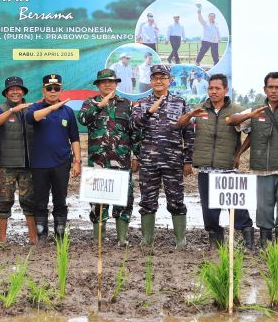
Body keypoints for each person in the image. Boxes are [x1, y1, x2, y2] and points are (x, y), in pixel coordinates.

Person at [231, 72, 278, 249]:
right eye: (270, 87)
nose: (273, 91)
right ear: (264, 89)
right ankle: (265, 242)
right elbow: (233, 122)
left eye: (277, 87)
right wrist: (249, 117)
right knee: (263, 207)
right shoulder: (256, 110)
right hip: (262, 168)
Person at [178, 74, 252, 248]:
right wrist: (190, 114)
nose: (214, 92)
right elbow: (180, 125)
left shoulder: (237, 110)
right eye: (211, 88)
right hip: (205, 170)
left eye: (218, 88)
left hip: (227, 169)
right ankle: (215, 243)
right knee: (209, 211)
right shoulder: (199, 109)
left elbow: (251, 133)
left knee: (237, 209)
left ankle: (249, 242)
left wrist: (239, 154)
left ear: (226, 90)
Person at [132, 64, 194, 248]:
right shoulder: (141, 103)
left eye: (162, 78)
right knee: (147, 200)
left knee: (176, 199)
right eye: (155, 78)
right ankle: (147, 239)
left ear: (169, 80)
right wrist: (136, 156)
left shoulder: (180, 102)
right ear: (150, 81)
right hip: (148, 162)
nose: (158, 81)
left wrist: (188, 159)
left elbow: (189, 133)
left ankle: (181, 240)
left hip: (173, 160)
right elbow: (134, 128)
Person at [78, 69, 138, 246]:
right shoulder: (90, 103)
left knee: (124, 199)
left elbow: (135, 132)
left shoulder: (127, 104)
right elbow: (82, 119)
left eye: (111, 82)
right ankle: (99, 240)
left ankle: (121, 238)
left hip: (121, 162)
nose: (108, 85)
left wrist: (137, 156)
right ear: (98, 85)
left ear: (116, 84)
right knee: (98, 201)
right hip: (98, 162)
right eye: (104, 82)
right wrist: (100, 105)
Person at [24, 74, 81, 242]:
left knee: (60, 199)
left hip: (62, 163)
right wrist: (53, 108)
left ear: (61, 90)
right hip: (39, 164)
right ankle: (42, 234)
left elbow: (75, 139)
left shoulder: (68, 112)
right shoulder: (35, 108)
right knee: (40, 200)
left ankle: (60, 233)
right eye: (49, 88)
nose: (53, 91)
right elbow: (31, 119)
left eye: (57, 89)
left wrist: (77, 162)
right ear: (43, 91)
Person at [0, 76, 34, 244]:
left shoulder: (32, 109)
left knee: (29, 203)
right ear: (6, 93)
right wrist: (12, 111)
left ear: (23, 92)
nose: (15, 92)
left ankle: (33, 239)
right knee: (3, 203)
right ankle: (2, 241)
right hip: (6, 165)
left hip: (28, 165)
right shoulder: (0, 109)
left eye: (18, 89)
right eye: (11, 90)